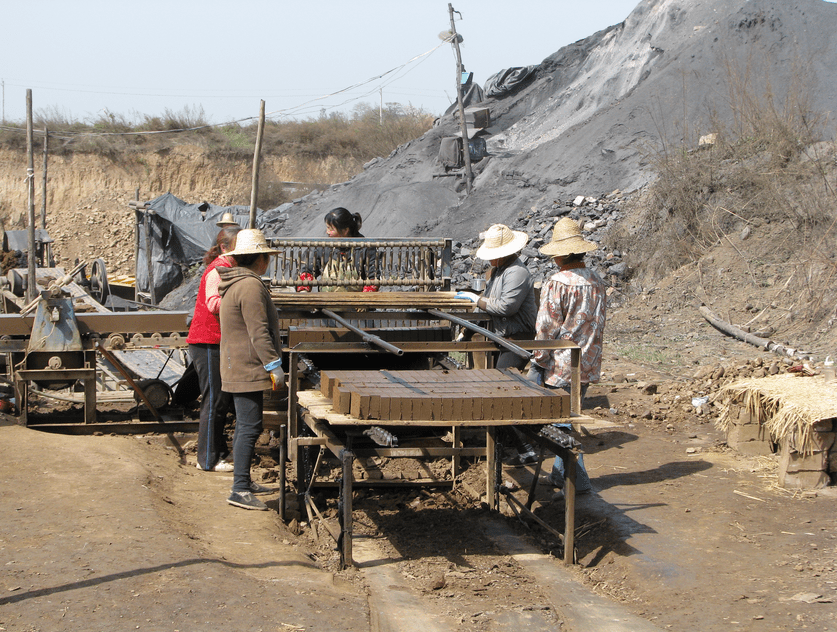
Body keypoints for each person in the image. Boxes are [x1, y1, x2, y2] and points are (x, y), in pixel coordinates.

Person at [528, 217, 606, 495]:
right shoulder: (596, 280)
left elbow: (546, 328)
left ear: (561, 253)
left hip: (560, 364)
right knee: (570, 416)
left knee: (562, 425)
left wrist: (538, 360)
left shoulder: (558, 282)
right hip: (587, 361)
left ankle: (579, 481)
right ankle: (560, 476)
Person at [455, 224, 538, 465]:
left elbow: (504, 307)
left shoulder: (517, 273)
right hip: (502, 338)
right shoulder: (500, 271)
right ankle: (502, 445)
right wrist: (466, 331)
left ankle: (525, 448)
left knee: (496, 395)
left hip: (517, 340)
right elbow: (490, 304)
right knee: (495, 393)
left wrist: (476, 299)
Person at [218, 229, 285, 511]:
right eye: (267, 257)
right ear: (260, 259)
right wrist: (274, 364)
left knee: (249, 424)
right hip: (246, 367)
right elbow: (258, 331)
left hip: (239, 364)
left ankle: (243, 480)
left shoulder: (238, 283)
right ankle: (240, 488)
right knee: (249, 426)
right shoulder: (250, 286)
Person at [187, 225, 241, 472]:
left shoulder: (230, 268)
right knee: (214, 401)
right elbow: (213, 304)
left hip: (216, 341)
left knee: (219, 400)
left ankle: (217, 452)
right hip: (207, 341)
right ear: (225, 247)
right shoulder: (217, 270)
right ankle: (207, 459)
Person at [296, 207, 378, 293]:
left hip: (356, 304)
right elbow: (308, 270)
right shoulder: (324, 247)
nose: (327, 232)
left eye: (331, 229)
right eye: (327, 228)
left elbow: (373, 278)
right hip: (326, 304)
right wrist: (303, 290)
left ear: (345, 230)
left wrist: (363, 301)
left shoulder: (365, 248)